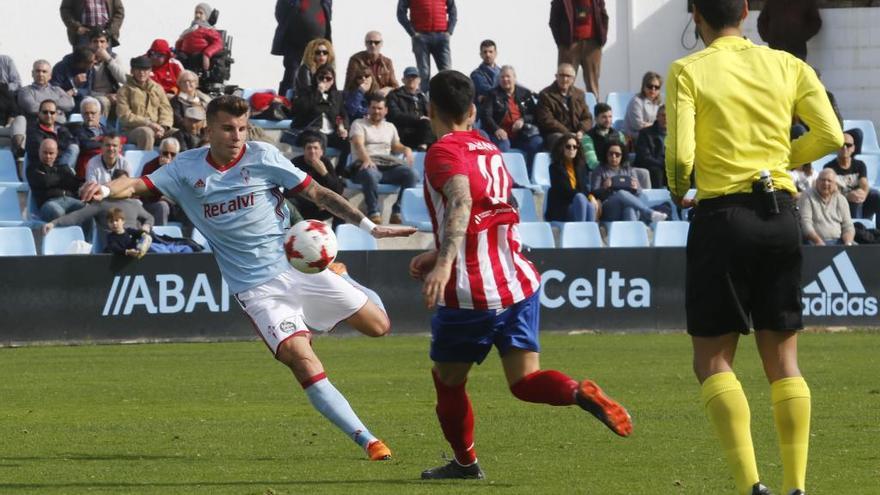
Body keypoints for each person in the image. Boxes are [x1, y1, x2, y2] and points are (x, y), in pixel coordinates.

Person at [81, 95, 417, 461]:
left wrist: (370, 227)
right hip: (255, 289)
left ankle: (344, 277)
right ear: (208, 130)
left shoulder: (263, 156)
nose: (237, 135)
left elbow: (318, 193)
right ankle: (367, 439)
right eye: (227, 128)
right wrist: (103, 189)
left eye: (242, 128)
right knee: (299, 358)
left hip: (297, 267)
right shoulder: (184, 169)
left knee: (379, 326)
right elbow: (133, 185)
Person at [409, 70, 632, 480]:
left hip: (470, 290)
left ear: (431, 110)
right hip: (518, 281)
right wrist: (436, 250)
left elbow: (460, 202)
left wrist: (443, 264)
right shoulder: (490, 149)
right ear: (474, 110)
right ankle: (576, 391)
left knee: (448, 381)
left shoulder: (443, 150)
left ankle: (464, 463)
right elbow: (489, 213)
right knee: (525, 379)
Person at [665, 1, 844, 494]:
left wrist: (679, 185)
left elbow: (681, 156)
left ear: (694, 13)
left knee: (713, 360)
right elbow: (830, 134)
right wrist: (781, 158)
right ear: (746, 11)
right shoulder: (788, 63)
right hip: (781, 215)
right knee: (784, 362)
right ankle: (796, 486)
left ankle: (751, 487)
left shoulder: (688, 70)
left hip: (723, 217)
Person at [349, 93, 417, 225]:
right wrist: (366, 159)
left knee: (412, 174)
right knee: (370, 173)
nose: (376, 111)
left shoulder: (390, 127)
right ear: (368, 109)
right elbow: (358, 144)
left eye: (380, 108)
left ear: (386, 110)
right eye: (373, 108)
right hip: (363, 166)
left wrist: (406, 149)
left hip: (387, 166)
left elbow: (395, 145)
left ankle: (397, 211)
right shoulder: (358, 124)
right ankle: (373, 212)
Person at [43, 173, 155, 253]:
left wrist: (146, 226)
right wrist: (54, 223)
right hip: (113, 251)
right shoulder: (101, 203)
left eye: (126, 184)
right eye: (121, 184)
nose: (124, 187)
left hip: (133, 248)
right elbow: (78, 216)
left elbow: (149, 217)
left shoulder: (134, 203)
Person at [478, 65, 543, 168]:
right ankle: (505, 175)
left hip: (521, 134)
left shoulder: (525, 94)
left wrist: (523, 120)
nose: (505, 79)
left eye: (508, 76)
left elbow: (534, 114)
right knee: (503, 144)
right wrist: (497, 129)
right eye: (502, 77)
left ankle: (530, 173)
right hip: (500, 135)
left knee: (537, 142)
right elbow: (486, 115)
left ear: (514, 78)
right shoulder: (492, 94)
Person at [289, 64, 349, 165]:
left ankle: (340, 173)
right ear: (316, 78)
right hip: (310, 132)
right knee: (320, 140)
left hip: (330, 132)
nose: (324, 81)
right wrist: (318, 93)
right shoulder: (307, 92)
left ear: (333, 81)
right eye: (321, 78)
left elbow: (343, 114)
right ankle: (320, 172)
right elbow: (299, 109)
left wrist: (343, 127)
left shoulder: (336, 96)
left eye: (328, 78)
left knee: (348, 143)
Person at [271, 0, 333, 97]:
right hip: (296, 45)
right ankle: (285, 105)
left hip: (319, 46)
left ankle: (319, 105)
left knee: (322, 76)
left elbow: (328, 14)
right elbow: (280, 14)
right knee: (292, 76)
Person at [591, 142, 664, 223]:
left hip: (628, 206)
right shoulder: (599, 170)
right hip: (609, 207)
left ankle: (633, 233)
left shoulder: (629, 170)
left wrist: (636, 188)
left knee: (630, 209)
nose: (614, 157)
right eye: (610, 154)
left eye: (617, 154)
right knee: (621, 193)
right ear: (606, 154)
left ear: (622, 156)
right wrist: (604, 188)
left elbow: (639, 192)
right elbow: (594, 192)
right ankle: (649, 213)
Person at [549, 0, 608, 97]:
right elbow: (554, 20)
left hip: (592, 45)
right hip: (570, 45)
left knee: (593, 84)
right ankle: (563, 110)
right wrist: (562, 43)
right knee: (565, 82)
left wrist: (602, 38)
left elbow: (603, 15)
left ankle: (594, 110)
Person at [396, 0, 456, 93]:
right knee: (423, 73)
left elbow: (452, 10)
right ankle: (424, 102)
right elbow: (400, 12)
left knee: (447, 72)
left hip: (441, 36)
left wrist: (449, 31)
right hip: (421, 37)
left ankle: (447, 101)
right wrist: (413, 33)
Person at [117, 56, 174, 150]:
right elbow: (124, 116)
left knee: (178, 134)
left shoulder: (157, 88)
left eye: (145, 70)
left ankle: (176, 163)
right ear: (132, 71)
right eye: (138, 69)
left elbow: (166, 109)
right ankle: (146, 164)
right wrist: (148, 124)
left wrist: (163, 127)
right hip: (132, 130)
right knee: (146, 133)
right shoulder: (124, 90)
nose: (142, 73)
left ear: (150, 71)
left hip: (158, 128)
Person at [289, 133, 346, 226]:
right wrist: (316, 201)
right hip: (302, 208)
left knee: (343, 202)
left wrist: (324, 173)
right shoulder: (296, 163)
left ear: (322, 151)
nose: (312, 151)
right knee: (291, 203)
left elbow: (338, 190)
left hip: (321, 208)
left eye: (315, 148)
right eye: (309, 148)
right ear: (304, 151)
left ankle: (337, 235)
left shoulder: (325, 163)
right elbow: (289, 192)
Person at [823, 132, 880, 221]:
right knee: (854, 201)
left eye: (848, 145)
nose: (845, 148)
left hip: (861, 202)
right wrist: (847, 196)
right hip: (841, 207)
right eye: (841, 145)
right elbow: (830, 193)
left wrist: (863, 194)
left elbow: (864, 184)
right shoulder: (829, 168)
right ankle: (856, 230)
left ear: (853, 148)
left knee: (876, 195)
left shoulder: (860, 165)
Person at [535, 63, 593, 150]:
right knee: (566, 142)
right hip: (556, 134)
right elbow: (547, 120)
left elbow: (587, 117)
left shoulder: (579, 94)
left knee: (591, 141)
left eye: (568, 76)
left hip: (577, 133)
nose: (565, 79)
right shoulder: (545, 95)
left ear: (573, 79)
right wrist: (568, 133)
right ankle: (566, 164)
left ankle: (590, 164)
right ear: (556, 76)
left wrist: (581, 131)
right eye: (561, 75)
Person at [27, 138, 85, 221]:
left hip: (69, 199)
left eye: (51, 153)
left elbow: (75, 184)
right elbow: (45, 181)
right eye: (45, 152)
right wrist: (63, 178)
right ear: (39, 151)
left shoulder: (63, 168)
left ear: (56, 154)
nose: (48, 156)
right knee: (58, 212)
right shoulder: (33, 168)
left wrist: (54, 178)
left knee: (86, 210)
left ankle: (84, 234)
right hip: (48, 203)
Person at [546, 133, 598, 222]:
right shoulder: (554, 168)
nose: (572, 149)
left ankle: (589, 232)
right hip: (562, 207)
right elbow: (565, 190)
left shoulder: (581, 167)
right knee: (580, 198)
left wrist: (590, 196)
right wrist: (584, 196)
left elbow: (584, 188)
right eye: (568, 146)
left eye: (575, 147)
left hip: (579, 204)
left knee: (590, 205)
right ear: (561, 148)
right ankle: (580, 229)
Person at [799, 168, 855, 246]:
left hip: (839, 242)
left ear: (835, 184)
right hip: (814, 242)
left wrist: (848, 243)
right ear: (817, 181)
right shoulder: (807, 196)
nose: (825, 183)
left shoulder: (841, 199)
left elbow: (848, 225)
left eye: (829, 181)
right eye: (823, 180)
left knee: (855, 253)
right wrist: (818, 241)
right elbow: (806, 223)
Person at [386, 66, 434, 151]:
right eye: (408, 77)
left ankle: (425, 149)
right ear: (403, 80)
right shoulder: (394, 95)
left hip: (422, 132)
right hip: (402, 132)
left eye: (414, 77)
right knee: (426, 123)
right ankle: (422, 150)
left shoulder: (422, 97)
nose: (411, 79)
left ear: (419, 80)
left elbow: (430, 115)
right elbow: (395, 115)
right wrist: (418, 118)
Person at [757, 0, 821, 61]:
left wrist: (801, 37)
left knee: (796, 72)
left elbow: (815, 21)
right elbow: (762, 21)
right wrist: (768, 37)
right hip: (775, 49)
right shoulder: (772, 1)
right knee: (776, 72)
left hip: (797, 50)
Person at [24, 99, 79, 170]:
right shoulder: (33, 130)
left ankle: (61, 175)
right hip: (40, 169)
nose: (49, 115)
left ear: (56, 114)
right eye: (45, 112)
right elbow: (43, 149)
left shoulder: (61, 128)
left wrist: (56, 148)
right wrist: (61, 147)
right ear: (39, 113)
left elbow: (73, 141)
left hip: (59, 165)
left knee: (74, 148)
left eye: (52, 112)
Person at [141, 137, 184, 226]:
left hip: (175, 205)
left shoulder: (181, 167)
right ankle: (160, 237)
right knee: (162, 206)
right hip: (154, 204)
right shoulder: (150, 166)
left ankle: (188, 237)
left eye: (172, 154)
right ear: (160, 153)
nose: (168, 156)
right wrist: (162, 170)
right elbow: (145, 193)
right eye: (165, 153)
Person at [344, 32, 399, 96]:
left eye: (376, 42)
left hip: (382, 101)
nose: (373, 45)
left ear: (381, 44)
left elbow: (395, 86)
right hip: (363, 99)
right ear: (365, 43)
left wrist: (388, 89)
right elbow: (349, 86)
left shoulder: (387, 62)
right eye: (370, 42)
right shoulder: (356, 60)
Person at [87, 28, 126, 117]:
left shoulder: (114, 58)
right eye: (95, 41)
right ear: (90, 44)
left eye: (102, 41)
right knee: (103, 101)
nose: (98, 45)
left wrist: (108, 60)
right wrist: (105, 95)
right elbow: (84, 89)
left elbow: (124, 79)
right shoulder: (85, 59)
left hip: (113, 94)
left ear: (107, 44)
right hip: (93, 96)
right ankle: (101, 128)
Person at [175, 3, 223, 74]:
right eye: (196, 13)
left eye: (201, 13)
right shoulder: (190, 29)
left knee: (195, 58)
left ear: (207, 15)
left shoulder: (209, 30)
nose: (197, 15)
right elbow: (181, 43)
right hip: (185, 55)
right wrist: (177, 48)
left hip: (199, 56)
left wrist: (207, 54)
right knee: (180, 58)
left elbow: (218, 43)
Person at [72, 97, 111, 177]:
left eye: (93, 113)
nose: (89, 116)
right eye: (86, 113)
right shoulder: (78, 130)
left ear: (100, 114)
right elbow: (86, 145)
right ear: (82, 115)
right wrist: (105, 141)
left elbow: (117, 140)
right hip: (90, 169)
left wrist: (98, 140)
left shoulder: (107, 129)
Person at [60, 0, 125, 48]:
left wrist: (110, 30)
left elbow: (119, 12)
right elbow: (65, 9)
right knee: (82, 63)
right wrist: (76, 27)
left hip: (105, 34)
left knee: (106, 63)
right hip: (83, 34)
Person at [634, 104, 667, 189]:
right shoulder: (645, 133)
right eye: (663, 115)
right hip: (651, 165)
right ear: (657, 116)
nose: (666, 119)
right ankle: (657, 198)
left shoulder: (676, 134)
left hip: (667, 165)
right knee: (656, 171)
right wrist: (663, 164)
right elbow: (644, 157)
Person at [623, 71, 663, 140]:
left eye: (656, 87)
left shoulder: (659, 103)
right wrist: (657, 125)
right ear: (644, 86)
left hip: (652, 135)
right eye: (650, 86)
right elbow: (638, 125)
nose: (653, 89)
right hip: (636, 138)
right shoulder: (636, 102)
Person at [469, 40, 499, 104]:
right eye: (485, 52)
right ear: (481, 54)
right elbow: (488, 91)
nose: (488, 55)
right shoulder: (476, 74)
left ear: (496, 53)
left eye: (491, 52)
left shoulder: (503, 73)